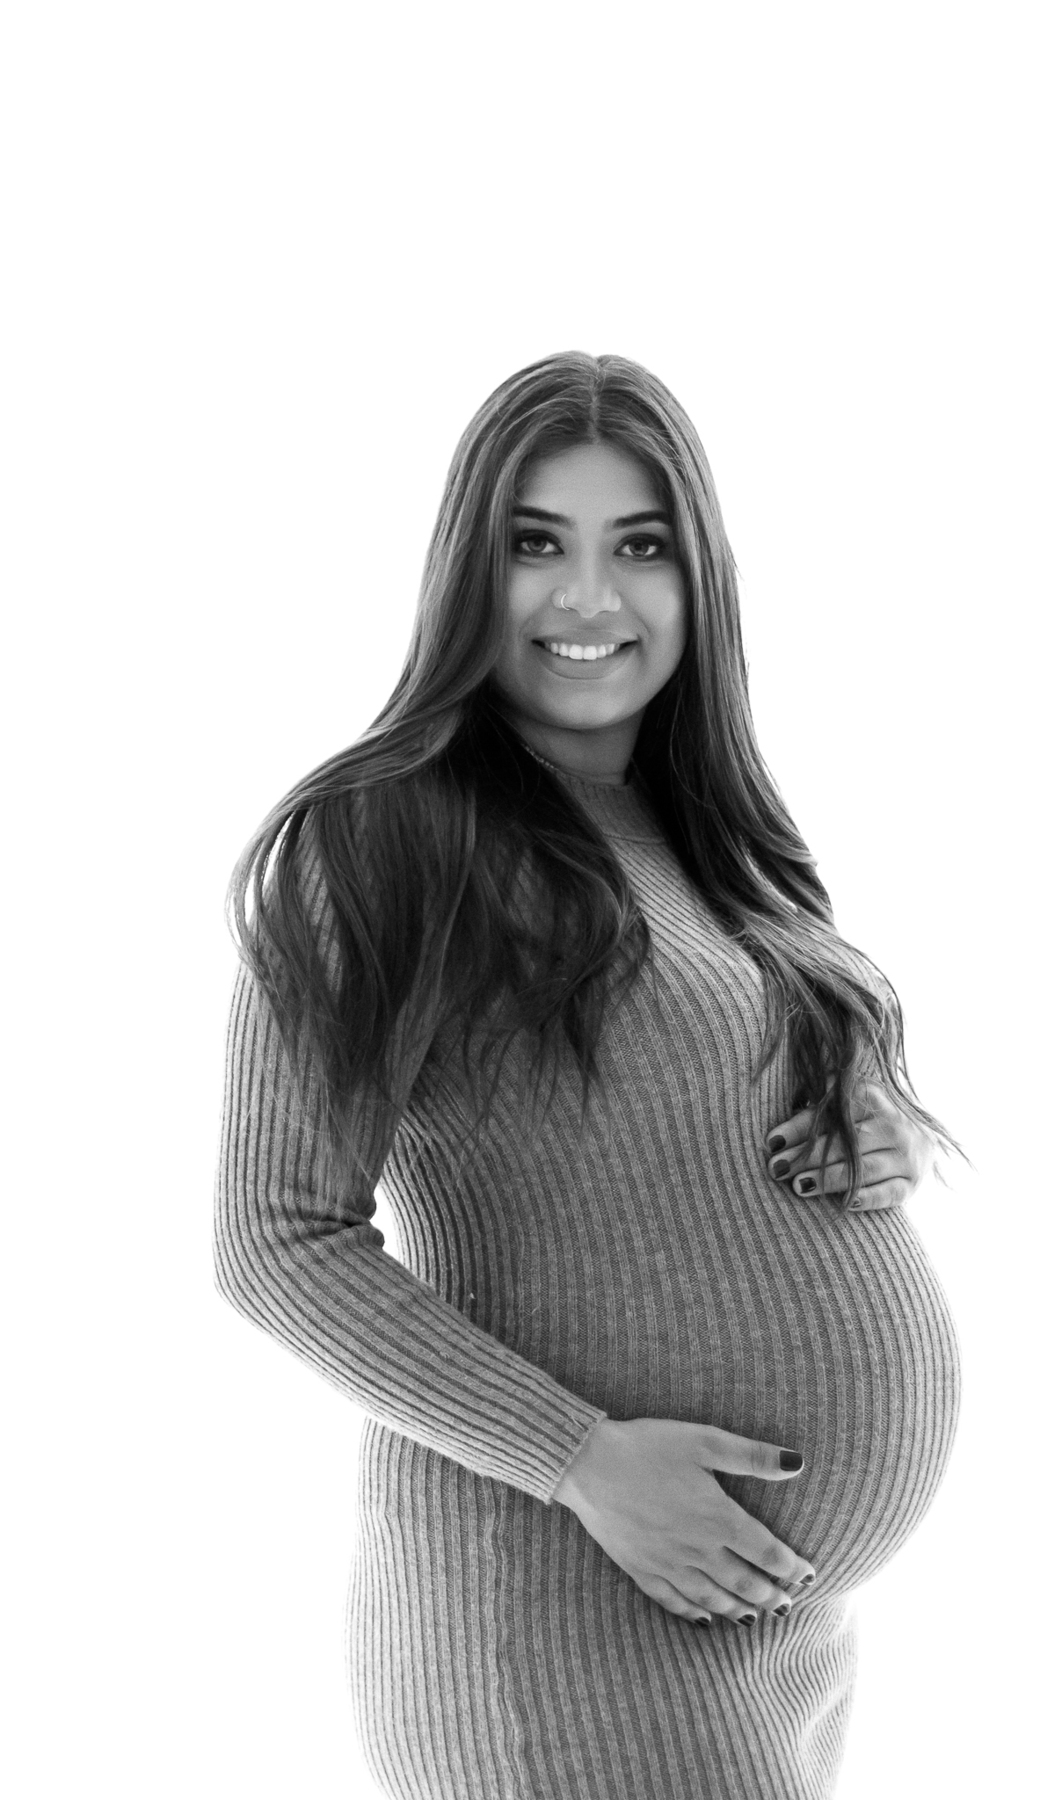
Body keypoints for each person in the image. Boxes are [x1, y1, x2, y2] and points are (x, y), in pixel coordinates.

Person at [213, 351, 962, 1800]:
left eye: (641, 546)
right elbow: (273, 1240)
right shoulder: (381, 837)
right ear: (465, 571)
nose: (588, 598)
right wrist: (578, 1459)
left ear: (701, 578)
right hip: (558, 1620)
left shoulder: (707, 834)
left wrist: (871, 1134)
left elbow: (679, 1122)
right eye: (536, 544)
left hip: (771, 1635)